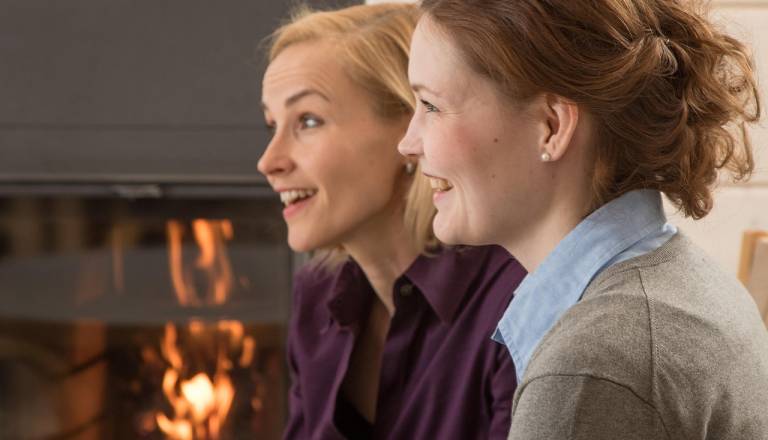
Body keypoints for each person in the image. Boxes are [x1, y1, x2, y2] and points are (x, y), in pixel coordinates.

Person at [398, 0, 768, 438]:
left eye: (431, 105)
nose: (408, 143)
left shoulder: (592, 364)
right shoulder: (680, 281)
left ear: (551, 127)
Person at [257, 3, 526, 439]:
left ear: (411, 128)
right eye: (272, 124)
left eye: (307, 121)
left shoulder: (514, 303)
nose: (268, 162)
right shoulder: (317, 297)